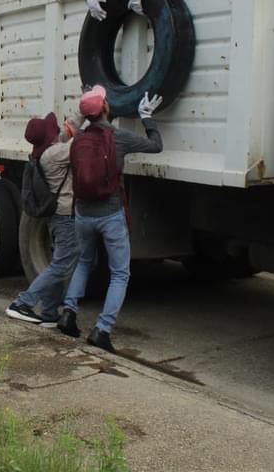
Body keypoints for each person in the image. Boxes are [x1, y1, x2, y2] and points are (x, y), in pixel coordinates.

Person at [57, 85, 164, 353]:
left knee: (84, 262)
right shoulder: (119, 138)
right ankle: (102, 330)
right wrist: (146, 117)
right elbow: (156, 146)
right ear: (105, 107)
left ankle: (68, 313)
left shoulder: (77, 140)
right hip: (110, 214)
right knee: (119, 273)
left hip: (83, 213)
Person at [5, 111, 82, 326]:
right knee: (62, 265)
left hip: (58, 217)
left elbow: (67, 138)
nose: (57, 130)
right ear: (49, 137)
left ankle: (49, 312)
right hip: (65, 217)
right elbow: (80, 144)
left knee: (58, 263)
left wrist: (81, 113)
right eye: (53, 129)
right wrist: (93, 115)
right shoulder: (54, 154)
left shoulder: (44, 152)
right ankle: (22, 302)